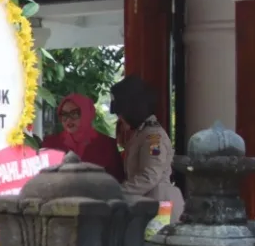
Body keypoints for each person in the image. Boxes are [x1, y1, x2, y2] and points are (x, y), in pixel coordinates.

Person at [109, 74, 184, 222]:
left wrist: (118, 192)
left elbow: (149, 176)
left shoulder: (153, 137)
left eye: (120, 113)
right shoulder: (142, 134)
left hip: (160, 207)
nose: (120, 118)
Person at [42, 92, 125, 180]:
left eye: (74, 113)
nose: (69, 119)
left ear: (87, 113)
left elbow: (117, 180)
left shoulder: (107, 144)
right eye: (64, 115)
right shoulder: (50, 143)